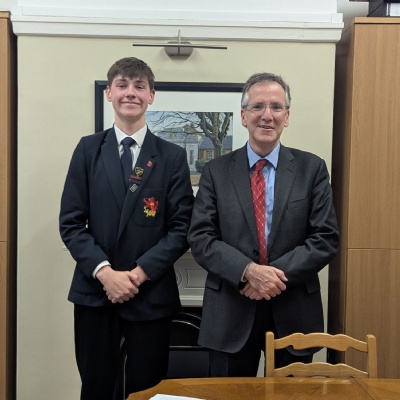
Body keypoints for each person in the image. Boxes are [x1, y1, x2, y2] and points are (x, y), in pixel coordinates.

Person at [59, 57, 194, 399]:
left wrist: (137, 275)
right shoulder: (88, 150)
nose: (130, 93)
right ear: (109, 93)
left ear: (151, 95)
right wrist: (106, 274)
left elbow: (181, 228)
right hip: (96, 292)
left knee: (147, 390)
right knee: (96, 388)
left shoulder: (172, 156)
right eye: (122, 85)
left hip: (149, 293)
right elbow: (71, 223)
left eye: (139, 86)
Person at [188, 72, 339, 377]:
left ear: (287, 116)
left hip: (294, 309)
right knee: (230, 398)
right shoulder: (216, 171)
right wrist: (248, 271)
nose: (267, 115)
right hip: (231, 307)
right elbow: (201, 237)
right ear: (244, 116)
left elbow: (325, 237)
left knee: (292, 398)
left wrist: (269, 278)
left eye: (276, 107)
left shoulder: (312, 169)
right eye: (258, 106)